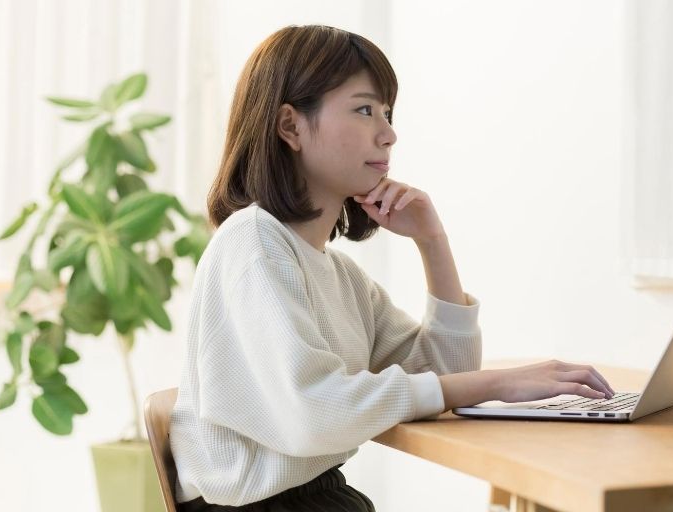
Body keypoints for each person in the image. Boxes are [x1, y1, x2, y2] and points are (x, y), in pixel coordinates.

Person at [169, 24, 616, 511]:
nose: (389, 133)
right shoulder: (252, 243)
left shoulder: (338, 275)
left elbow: (446, 375)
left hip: (319, 498)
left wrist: (432, 242)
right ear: (290, 126)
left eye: (387, 112)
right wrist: (499, 382)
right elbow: (316, 413)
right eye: (365, 110)